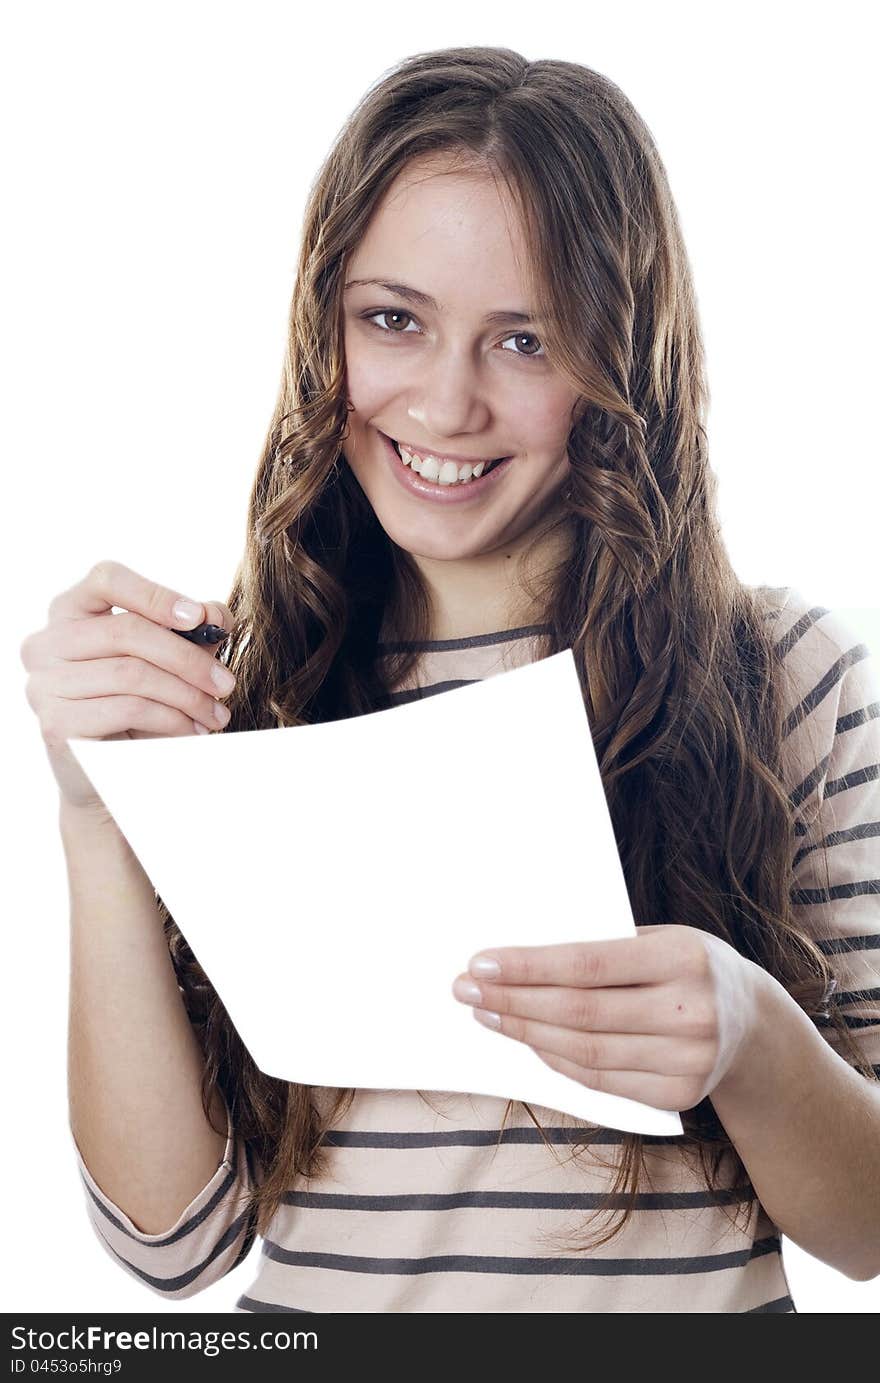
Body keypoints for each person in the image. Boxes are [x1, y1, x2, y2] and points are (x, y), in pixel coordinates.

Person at [21, 46, 880, 1314]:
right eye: (393, 320)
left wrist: (747, 1035)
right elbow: (171, 1246)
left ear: (619, 365)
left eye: (525, 340)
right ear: (327, 327)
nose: (444, 402)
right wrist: (97, 818)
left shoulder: (781, 681)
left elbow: (868, 1231)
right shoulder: (239, 691)